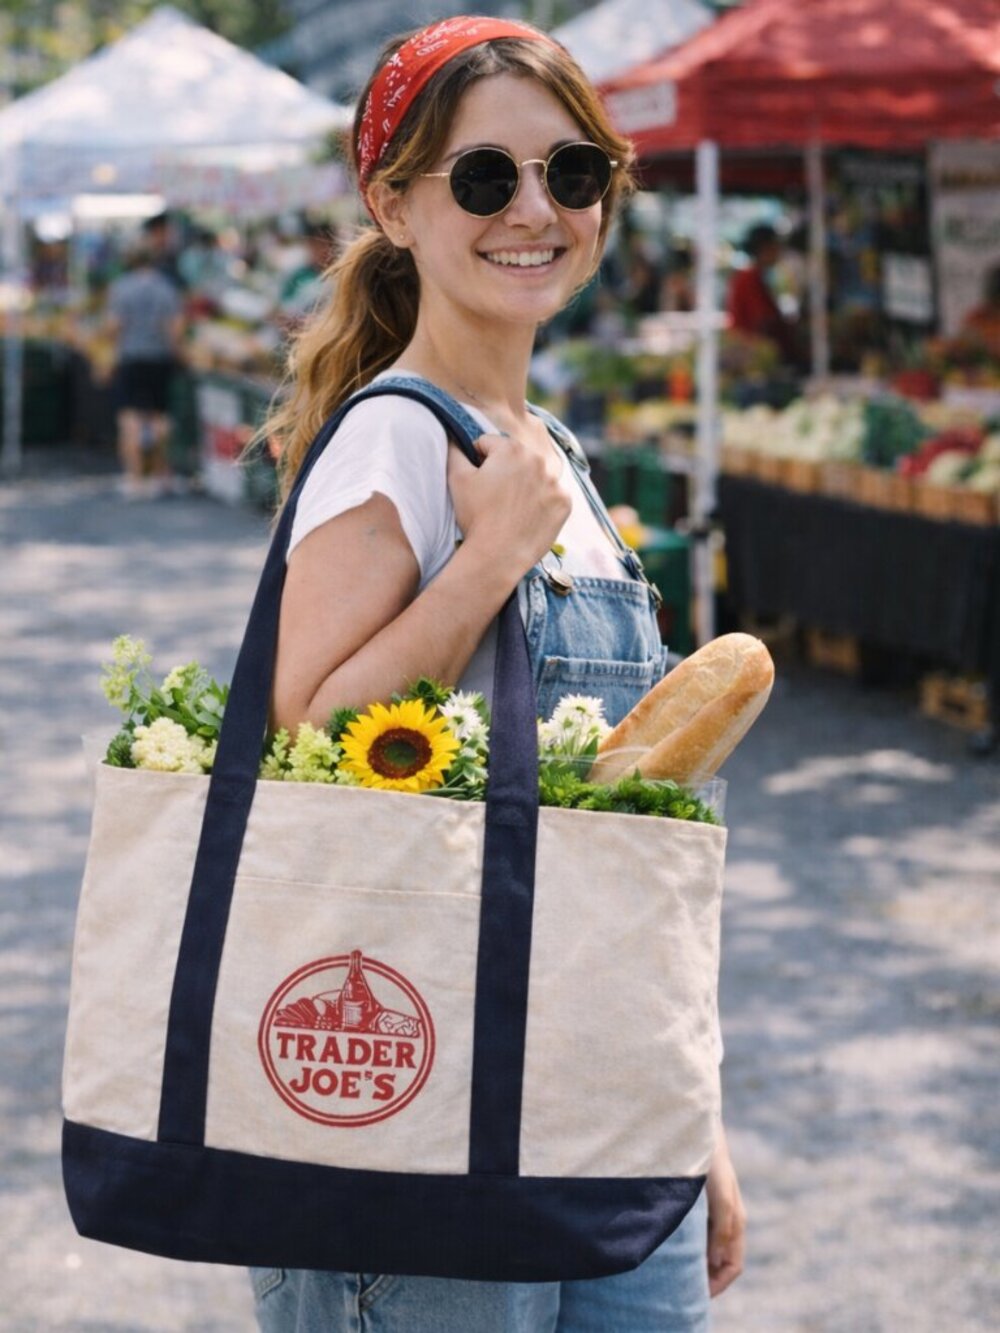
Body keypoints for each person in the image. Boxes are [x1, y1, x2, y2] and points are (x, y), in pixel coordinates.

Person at [256, 16, 745, 1331]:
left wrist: (694, 1107)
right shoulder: (393, 442)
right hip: (428, 1113)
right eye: (483, 177)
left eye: (571, 172)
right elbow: (310, 733)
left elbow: (629, 831)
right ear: (393, 207)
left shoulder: (553, 454)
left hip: (613, 1103)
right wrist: (486, 563)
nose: (534, 210)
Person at [105, 241, 183, 499]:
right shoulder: (166, 288)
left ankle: (135, 477)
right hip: (160, 357)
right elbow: (174, 327)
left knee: (130, 418)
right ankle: (161, 475)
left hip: (131, 357)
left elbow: (114, 325)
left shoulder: (121, 288)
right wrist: (176, 352)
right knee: (160, 417)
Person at [727, 223, 799, 364]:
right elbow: (762, 320)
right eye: (775, 247)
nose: (779, 252)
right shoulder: (749, 278)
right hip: (751, 352)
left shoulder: (755, 276)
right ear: (765, 249)